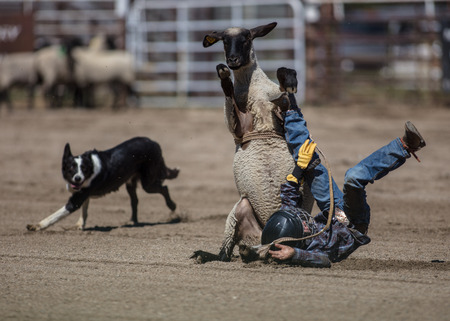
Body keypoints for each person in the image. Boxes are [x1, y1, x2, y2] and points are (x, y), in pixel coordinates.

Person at [260, 119, 426, 268]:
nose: (305, 220)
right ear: (298, 239)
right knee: (353, 178)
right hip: (353, 222)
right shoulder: (314, 248)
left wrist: (299, 168)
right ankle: (406, 146)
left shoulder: (288, 222)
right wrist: (294, 254)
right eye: (303, 225)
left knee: (306, 157)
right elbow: (323, 261)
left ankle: (290, 108)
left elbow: (289, 196)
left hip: (333, 211)